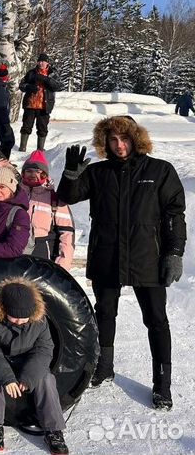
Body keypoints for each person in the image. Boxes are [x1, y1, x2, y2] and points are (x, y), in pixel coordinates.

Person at [57, 115, 186, 410]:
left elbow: (174, 215)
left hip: (147, 258)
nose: (119, 145)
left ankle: (162, 383)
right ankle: (105, 365)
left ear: (136, 138)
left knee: (156, 319)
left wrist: (174, 252)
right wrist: (71, 174)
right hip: (108, 255)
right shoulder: (98, 172)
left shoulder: (160, 171)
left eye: (125, 139)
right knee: (104, 312)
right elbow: (67, 197)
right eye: (113, 140)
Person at [0, 277, 69, 455]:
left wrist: (29, 377)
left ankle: (53, 430)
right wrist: (7, 378)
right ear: (4, 309)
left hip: (29, 361)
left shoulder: (40, 321)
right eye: (15, 317)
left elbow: (44, 349)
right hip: (2, 360)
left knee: (46, 378)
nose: (19, 321)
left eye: (24, 318)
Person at [19, 150, 75, 270]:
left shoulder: (54, 198)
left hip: (43, 259)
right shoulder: (14, 194)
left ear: (44, 174)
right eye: (29, 171)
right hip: (15, 254)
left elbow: (67, 236)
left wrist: (62, 267)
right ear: (23, 173)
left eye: (38, 171)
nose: (33, 175)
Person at [18, 53, 62, 152]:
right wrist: (29, 87)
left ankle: (40, 149)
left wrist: (46, 79)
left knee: (42, 128)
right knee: (26, 126)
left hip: (44, 106)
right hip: (30, 105)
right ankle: (22, 148)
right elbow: (21, 85)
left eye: (43, 61)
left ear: (47, 63)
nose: (41, 63)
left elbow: (58, 86)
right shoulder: (31, 73)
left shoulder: (52, 73)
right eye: (40, 61)